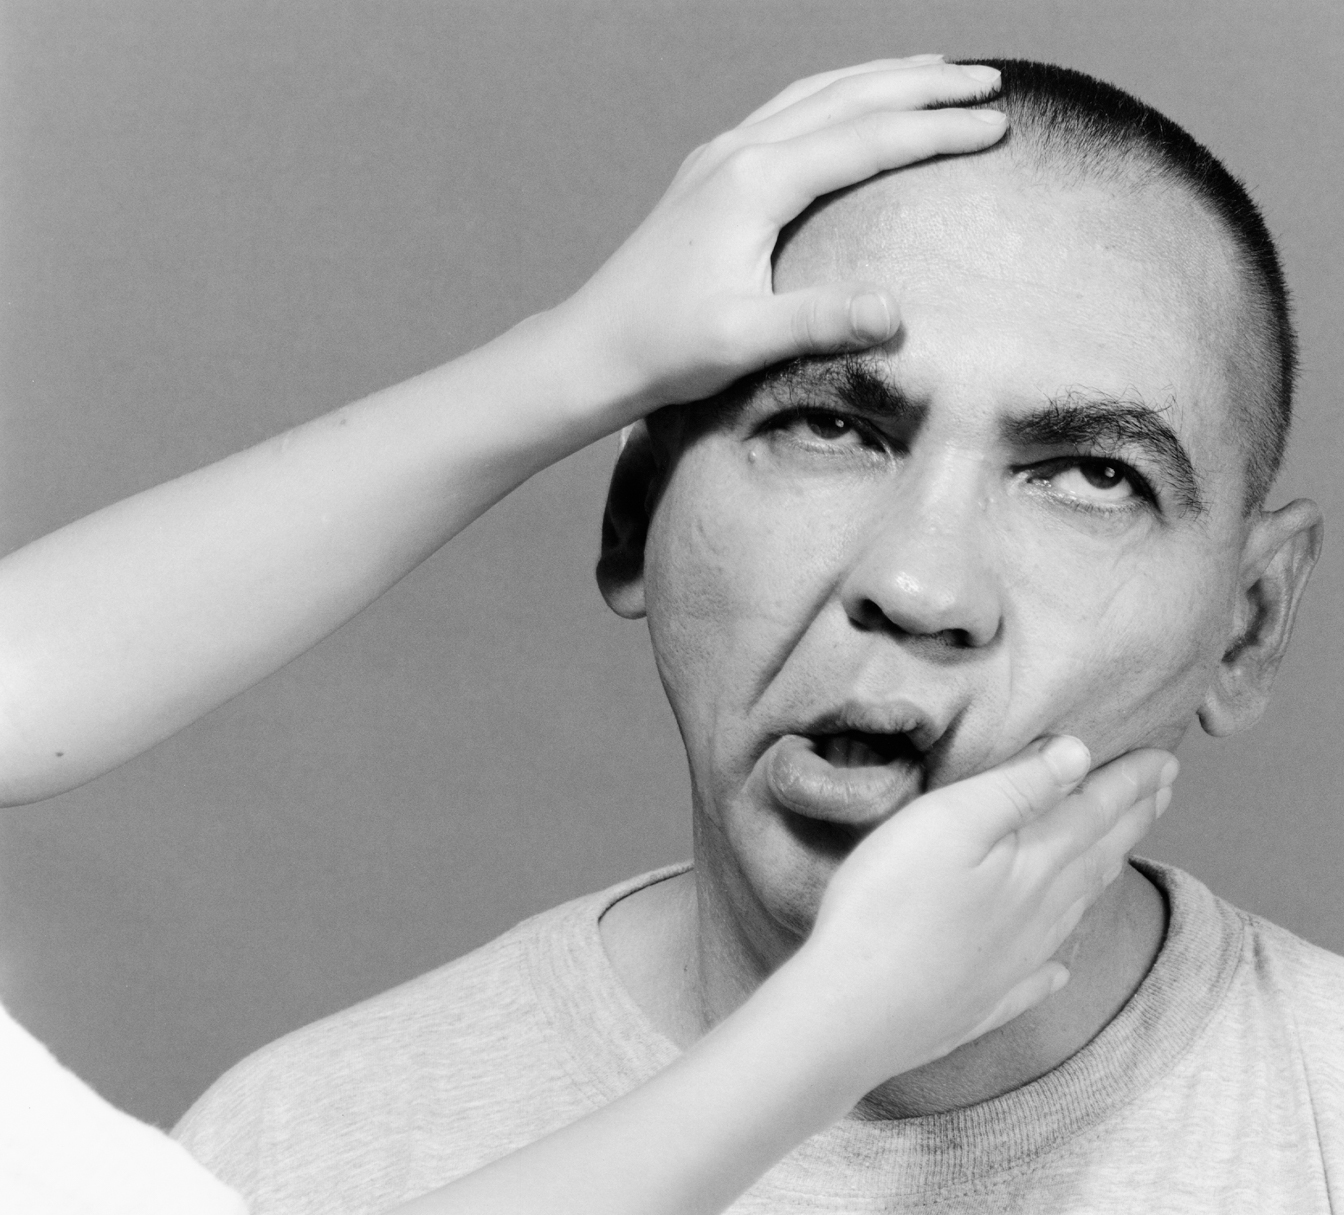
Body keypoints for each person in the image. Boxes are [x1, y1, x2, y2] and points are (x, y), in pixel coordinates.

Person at [0, 58, 1175, 1215]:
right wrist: (835, 1025)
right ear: (633, 519)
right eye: (829, 426)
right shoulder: (291, 1140)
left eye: (1094, 476)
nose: (918, 586)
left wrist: (585, 354)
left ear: (1251, 628)